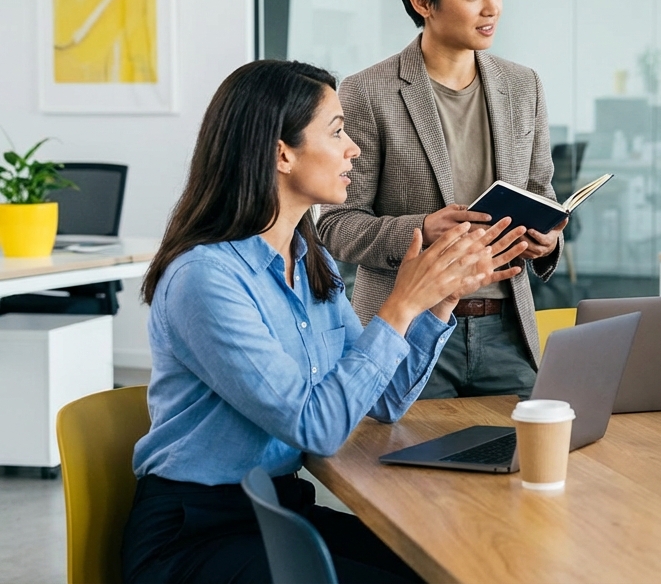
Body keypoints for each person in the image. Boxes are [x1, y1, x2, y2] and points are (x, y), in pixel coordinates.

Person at [122, 60, 530, 583]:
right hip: (196, 534)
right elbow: (316, 427)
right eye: (336, 131)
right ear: (282, 152)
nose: (352, 148)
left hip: (281, 507)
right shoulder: (205, 279)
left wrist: (441, 301)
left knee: (446, 566)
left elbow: (382, 401)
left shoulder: (311, 259)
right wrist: (399, 305)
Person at [318, 0, 562, 400]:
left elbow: (543, 195)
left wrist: (548, 243)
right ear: (423, 1)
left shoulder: (523, 86)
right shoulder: (367, 93)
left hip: (508, 333)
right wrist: (420, 229)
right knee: (401, 472)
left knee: (526, 464)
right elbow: (336, 224)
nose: (492, 8)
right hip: (410, 332)